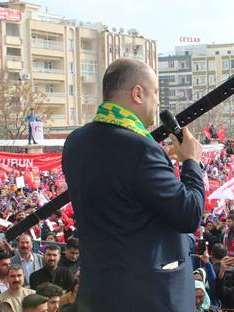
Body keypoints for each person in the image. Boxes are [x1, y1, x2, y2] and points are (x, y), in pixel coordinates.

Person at [62, 58, 205, 311]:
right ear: (138, 93)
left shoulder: (76, 141)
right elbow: (189, 214)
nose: (158, 101)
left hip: (98, 292)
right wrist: (191, 162)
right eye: (156, 92)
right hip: (147, 297)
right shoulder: (140, 149)